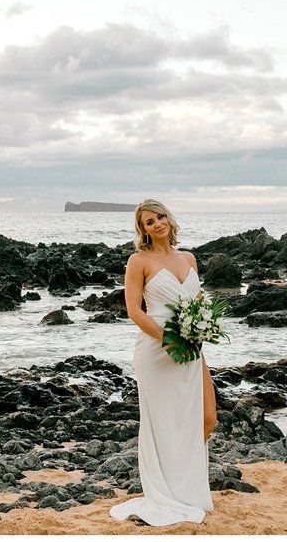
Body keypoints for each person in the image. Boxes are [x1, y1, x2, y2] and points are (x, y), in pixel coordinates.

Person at [108, 199, 216, 526]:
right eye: (149, 222)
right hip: (157, 350)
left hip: (191, 348)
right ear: (143, 230)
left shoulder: (189, 258)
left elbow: (197, 305)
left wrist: (203, 328)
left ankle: (184, 486)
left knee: (207, 417)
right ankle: (168, 493)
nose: (158, 224)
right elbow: (134, 311)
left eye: (160, 216)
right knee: (164, 424)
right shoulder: (138, 261)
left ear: (169, 218)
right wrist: (169, 338)